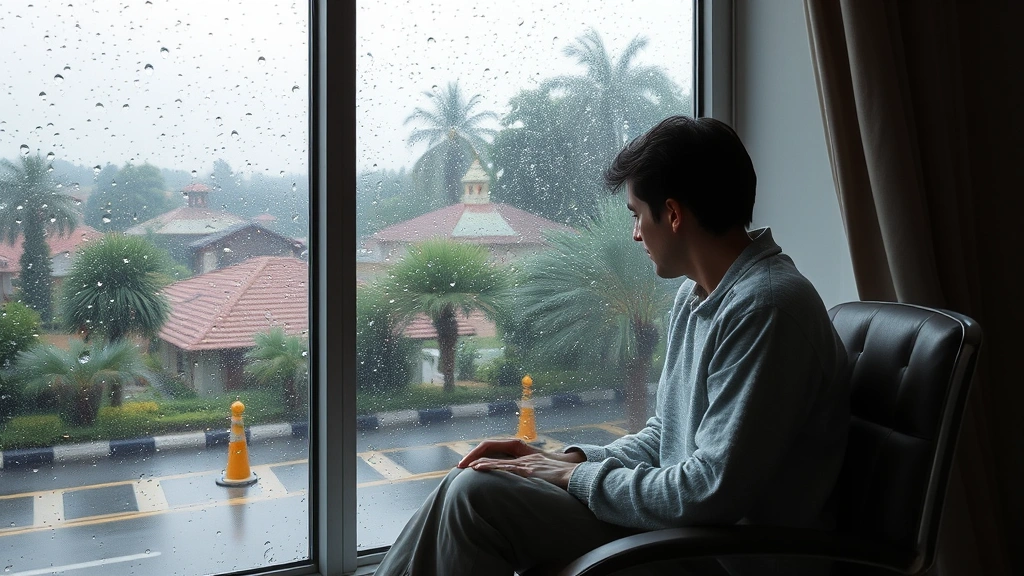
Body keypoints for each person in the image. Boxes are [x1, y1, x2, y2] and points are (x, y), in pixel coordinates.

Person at [374, 115, 850, 576]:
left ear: (673, 214)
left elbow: (709, 489)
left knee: (475, 497)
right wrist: (569, 460)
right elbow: (666, 435)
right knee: (474, 476)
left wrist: (574, 478)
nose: (636, 233)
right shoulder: (699, 296)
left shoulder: (766, 308)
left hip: (723, 554)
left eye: (637, 215)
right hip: (681, 533)